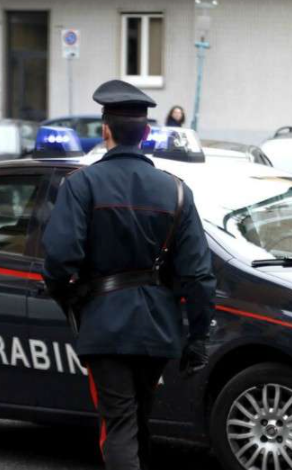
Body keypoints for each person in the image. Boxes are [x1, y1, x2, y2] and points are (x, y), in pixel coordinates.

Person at [42, 80, 215, 470]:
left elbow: (58, 259)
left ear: (105, 131)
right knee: (137, 421)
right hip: (158, 329)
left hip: (104, 325)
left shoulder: (81, 184)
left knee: (119, 425)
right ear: (147, 134)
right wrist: (199, 338)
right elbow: (200, 275)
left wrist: (69, 299)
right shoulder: (177, 192)